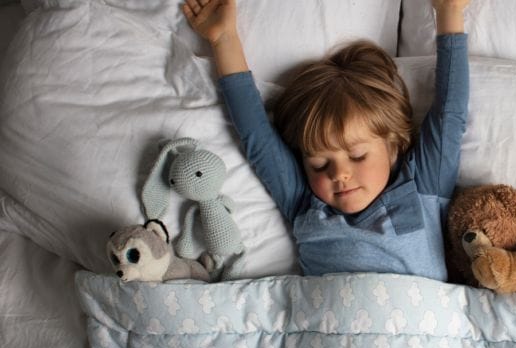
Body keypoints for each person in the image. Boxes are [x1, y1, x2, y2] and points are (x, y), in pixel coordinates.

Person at [183, 0, 469, 281]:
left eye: (357, 156)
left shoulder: (423, 189)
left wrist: (449, 12)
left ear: (393, 147)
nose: (339, 174)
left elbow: (450, 114)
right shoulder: (304, 205)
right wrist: (224, 40)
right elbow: (257, 136)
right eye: (319, 164)